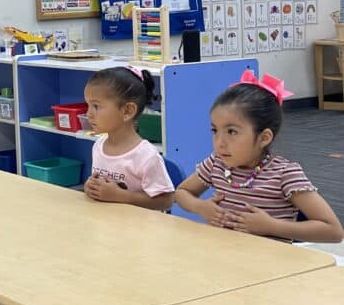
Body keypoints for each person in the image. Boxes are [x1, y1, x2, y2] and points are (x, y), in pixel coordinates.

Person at [176, 70, 343, 242]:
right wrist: (200, 207)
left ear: (264, 138)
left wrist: (271, 226)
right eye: (215, 130)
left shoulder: (284, 174)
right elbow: (182, 192)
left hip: (274, 265)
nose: (219, 142)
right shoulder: (217, 163)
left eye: (232, 131)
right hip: (224, 258)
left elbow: (333, 231)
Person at [82, 66, 174, 211]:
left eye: (96, 106)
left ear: (127, 111)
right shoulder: (99, 146)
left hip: (139, 229)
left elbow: (166, 201)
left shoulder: (146, 156)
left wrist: (121, 196)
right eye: (88, 105)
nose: (89, 114)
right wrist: (91, 187)